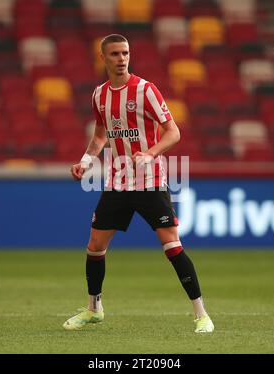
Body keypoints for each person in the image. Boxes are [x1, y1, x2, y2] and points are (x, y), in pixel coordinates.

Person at [63, 34, 214, 333]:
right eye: (116, 54)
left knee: (171, 244)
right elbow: (99, 136)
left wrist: (150, 153)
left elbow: (173, 132)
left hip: (151, 181)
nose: (122, 59)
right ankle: (94, 309)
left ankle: (202, 315)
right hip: (118, 183)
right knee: (95, 246)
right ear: (103, 58)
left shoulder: (146, 90)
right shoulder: (99, 95)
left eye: (126, 53)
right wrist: (85, 161)